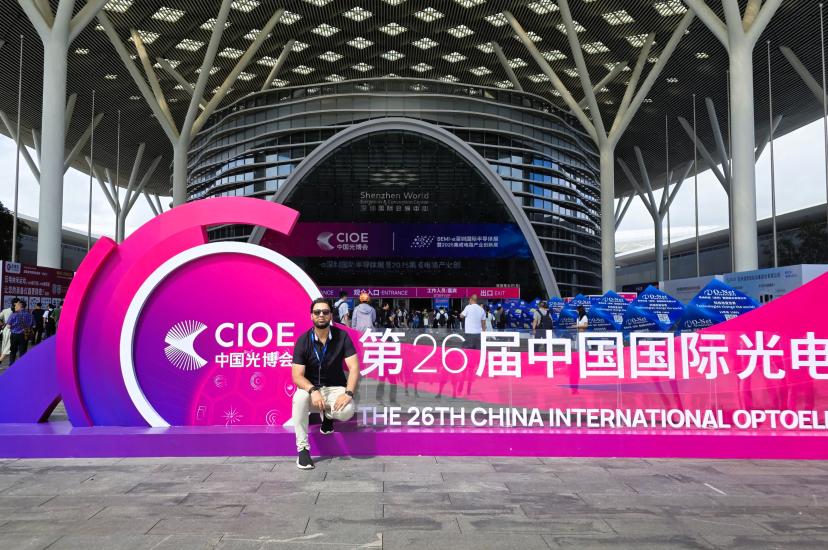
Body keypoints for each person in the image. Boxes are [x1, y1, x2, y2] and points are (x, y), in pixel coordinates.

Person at [291, 298, 360, 469]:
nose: (321, 315)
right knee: (299, 398)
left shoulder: (342, 337)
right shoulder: (303, 340)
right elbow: (297, 376)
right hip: (311, 390)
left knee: (348, 411)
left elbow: (354, 368)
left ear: (331, 315)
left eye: (325, 312)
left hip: (335, 389)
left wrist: (348, 393)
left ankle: (328, 415)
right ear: (311, 316)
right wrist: (312, 389)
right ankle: (303, 450)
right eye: (317, 312)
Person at [7, 300, 33, 366]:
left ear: (20, 306)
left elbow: (8, 326)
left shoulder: (13, 314)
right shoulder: (30, 315)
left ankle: (12, 365)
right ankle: (21, 365)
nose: (15, 306)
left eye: (16, 305)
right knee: (23, 351)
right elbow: (33, 325)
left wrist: (14, 326)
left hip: (14, 335)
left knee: (13, 350)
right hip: (25, 335)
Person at [0, 298, 19, 364]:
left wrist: (2, 324)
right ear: (15, 303)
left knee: (7, 346)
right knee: (9, 346)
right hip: (13, 330)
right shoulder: (17, 311)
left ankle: (13, 362)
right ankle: (1, 360)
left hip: (6, 330)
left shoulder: (5, 310)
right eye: (19, 303)